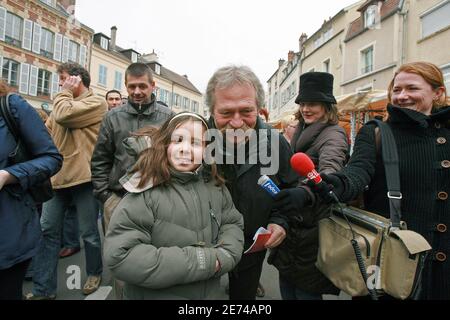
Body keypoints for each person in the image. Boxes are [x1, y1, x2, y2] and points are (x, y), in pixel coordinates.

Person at [305, 62, 449, 300]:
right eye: (397, 89)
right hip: (393, 261)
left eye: (412, 88)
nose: (402, 96)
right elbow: (357, 172)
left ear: (437, 92)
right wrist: (333, 184)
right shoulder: (377, 132)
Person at [104, 112, 244, 300]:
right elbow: (121, 255)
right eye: (178, 140)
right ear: (165, 144)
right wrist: (203, 261)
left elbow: (232, 223)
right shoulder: (145, 190)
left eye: (195, 143)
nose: (185, 149)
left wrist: (226, 254)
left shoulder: (215, 186)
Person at [205, 65, 298, 300]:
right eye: (226, 113)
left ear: (259, 109)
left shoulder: (276, 144)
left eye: (246, 111)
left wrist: (280, 221)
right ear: (212, 110)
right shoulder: (195, 141)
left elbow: (290, 190)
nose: (236, 123)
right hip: (202, 247)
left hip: (251, 246)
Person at [26, 63, 107, 299]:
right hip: (57, 177)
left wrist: (64, 93)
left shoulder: (96, 103)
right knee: (47, 231)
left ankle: (94, 273)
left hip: (84, 177)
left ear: (77, 79)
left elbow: (63, 115)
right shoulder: (63, 101)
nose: (60, 84)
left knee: (89, 233)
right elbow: (47, 133)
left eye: (63, 79)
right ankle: (43, 289)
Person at [269, 72, 349, 300]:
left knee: (305, 292)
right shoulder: (301, 130)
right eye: (302, 103)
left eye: (312, 103)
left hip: (313, 228)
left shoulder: (334, 134)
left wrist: (303, 193)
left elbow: (330, 170)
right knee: (287, 287)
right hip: (293, 224)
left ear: (326, 106)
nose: (305, 108)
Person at [92, 63, 174, 231]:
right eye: (132, 86)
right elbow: (100, 159)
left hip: (159, 201)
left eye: (142, 86)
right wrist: (106, 197)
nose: (137, 92)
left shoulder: (169, 118)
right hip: (118, 199)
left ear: (153, 86)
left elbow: (175, 159)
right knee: (116, 253)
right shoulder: (111, 117)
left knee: (153, 254)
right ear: (126, 86)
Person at [0, 81, 63, 300]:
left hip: (9, 230)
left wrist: (8, 175)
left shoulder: (11, 106)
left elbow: (52, 157)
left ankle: (44, 289)